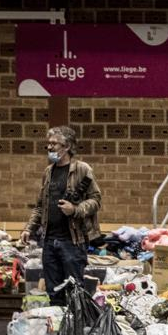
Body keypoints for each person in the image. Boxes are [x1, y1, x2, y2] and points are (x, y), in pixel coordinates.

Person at [20, 126, 101, 306]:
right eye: (48, 144)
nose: (50, 147)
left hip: (72, 241)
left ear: (67, 146)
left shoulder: (82, 169)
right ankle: (58, 331)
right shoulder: (48, 172)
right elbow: (40, 206)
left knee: (75, 292)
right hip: (49, 241)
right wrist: (29, 228)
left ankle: (74, 331)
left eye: (54, 144)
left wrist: (75, 209)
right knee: (53, 291)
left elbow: (96, 201)